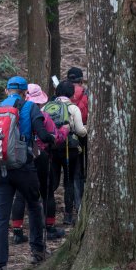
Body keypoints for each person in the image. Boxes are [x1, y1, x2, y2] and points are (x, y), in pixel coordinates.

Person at [0, 76, 56, 270]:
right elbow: (43, 135)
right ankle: (37, 252)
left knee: (1, 217)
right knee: (34, 206)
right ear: (25, 92)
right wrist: (52, 139)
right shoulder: (30, 108)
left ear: (7, 91)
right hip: (24, 168)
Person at [11, 83, 69, 243]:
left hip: (22, 156)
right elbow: (54, 136)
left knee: (21, 194)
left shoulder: (15, 114)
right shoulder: (43, 115)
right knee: (47, 192)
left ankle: (17, 230)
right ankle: (49, 227)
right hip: (41, 156)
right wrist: (65, 130)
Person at [51, 81, 87, 225]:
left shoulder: (47, 107)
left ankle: (48, 215)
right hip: (70, 149)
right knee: (69, 181)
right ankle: (67, 215)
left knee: (51, 181)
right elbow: (80, 131)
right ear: (72, 94)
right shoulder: (73, 108)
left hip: (52, 148)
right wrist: (86, 128)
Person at [67, 67, 88, 211]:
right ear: (81, 80)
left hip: (68, 135)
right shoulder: (87, 93)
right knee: (84, 168)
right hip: (85, 133)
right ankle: (83, 203)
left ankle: (74, 205)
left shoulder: (62, 93)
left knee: (73, 171)